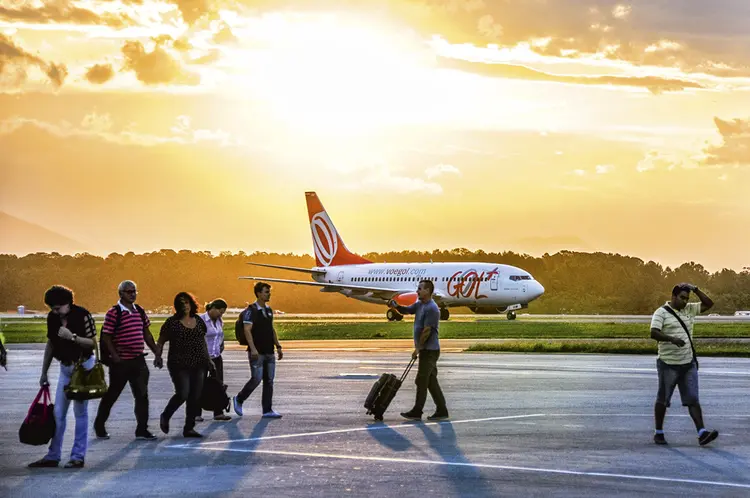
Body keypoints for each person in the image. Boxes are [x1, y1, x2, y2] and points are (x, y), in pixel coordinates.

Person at [28, 286, 97, 469]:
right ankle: (53, 455)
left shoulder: (83, 315)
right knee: (58, 412)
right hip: (65, 367)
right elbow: (51, 344)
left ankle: (78, 456)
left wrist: (72, 337)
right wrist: (44, 372)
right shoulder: (53, 318)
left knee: (80, 412)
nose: (55, 311)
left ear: (68, 303)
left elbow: (92, 343)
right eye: (52, 308)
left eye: (58, 307)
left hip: (83, 367)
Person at [650, 283, 718, 446]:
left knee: (693, 399)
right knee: (663, 399)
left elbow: (709, 304)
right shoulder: (661, 313)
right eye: (682, 298)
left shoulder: (689, 310)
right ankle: (658, 432)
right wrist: (672, 339)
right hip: (668, 363)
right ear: (673, 297)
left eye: (687, 298)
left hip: (688, 364)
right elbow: (654, 332)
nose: (685, 301)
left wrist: (696, 289)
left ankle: (702, 433)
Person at [94, 280, 159, 440]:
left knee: (142, 395)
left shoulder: (139, 311)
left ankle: (142, 428)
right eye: (129, 292)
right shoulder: (114, 312)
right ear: (121, 294)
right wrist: (115, 356)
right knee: (113, 394)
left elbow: (146, 333)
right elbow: (107, 336)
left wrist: (157, 352)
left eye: (134, 291)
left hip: (138, 360)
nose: (132, 294)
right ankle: (99, 425)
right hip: (121, 362)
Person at [388, 279, 449, 421]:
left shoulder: (432, 308)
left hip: (430, 351)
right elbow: (408, 310)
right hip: (426, 350)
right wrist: (396, 306)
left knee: (421, 380)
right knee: (431, 381)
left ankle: (417, 411)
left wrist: (418, 348)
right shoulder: (420, 304)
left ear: (428, 291)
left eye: (420, 289)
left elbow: (427, 331)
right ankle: (442, 410)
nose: (417, 291)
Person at [155, 292, 214, 438]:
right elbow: (161, 340)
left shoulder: (198, 321)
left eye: (186, 302)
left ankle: (189, 427)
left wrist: (209, 360)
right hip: (179, 364)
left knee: (195, 396)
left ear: (191, 303)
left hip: (199, 363)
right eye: (181, 303)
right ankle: (166, 415)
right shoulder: (172, 323)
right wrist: (158, 356)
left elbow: (202, 342)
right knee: (183, 393)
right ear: (177, 306)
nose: (184, 306)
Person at [233, 282, 283, 418]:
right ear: (259, 294)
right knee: (256, 378)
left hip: (269, 350)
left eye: (269, 291)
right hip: (257, 351)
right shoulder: (251, 311)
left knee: (269, 380)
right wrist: (253, 349)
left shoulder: (268, 310)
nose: (269, 294)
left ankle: (267, 409)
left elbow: (271, 329)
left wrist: (278, 346)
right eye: (266, 292)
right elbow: (247, 330)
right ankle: (239, 399)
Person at [199, 298, 230, 421]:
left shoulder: (219, 321)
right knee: (199, 385)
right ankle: (196, 413)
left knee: (218, 384)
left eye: (222, 313)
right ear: (213, 309)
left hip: (216, 356)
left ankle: (218, 412)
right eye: (220, 312)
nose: (220, 315)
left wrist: (221, 345)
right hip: (201, 357)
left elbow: (220, 335)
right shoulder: (201, 320)